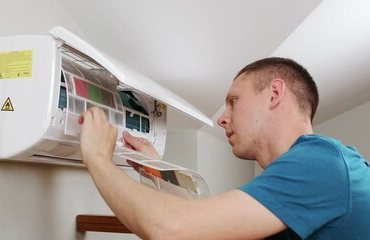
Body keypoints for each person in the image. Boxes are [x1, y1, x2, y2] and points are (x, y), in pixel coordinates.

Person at [78, 57, 370, 239]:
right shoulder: (317, 166)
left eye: (234, 101)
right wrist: (157, 168)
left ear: (274, 94)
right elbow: (208, 227)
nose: (222, 118)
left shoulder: (319, 164)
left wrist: (98, 158)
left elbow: (172, 228)